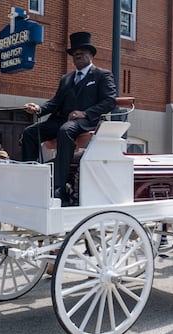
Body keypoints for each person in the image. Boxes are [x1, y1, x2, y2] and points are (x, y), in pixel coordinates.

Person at [21, 31, 117, 205]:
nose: (78, 55)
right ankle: (30, 178)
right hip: (61, 119)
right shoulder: (66, 79)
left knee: (65, 131)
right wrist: (39, 109)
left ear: (90, 54)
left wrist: (86, 113)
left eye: (82, 52)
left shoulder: (102, 75)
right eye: (75, 53)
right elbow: (55, 103)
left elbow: (109, 100)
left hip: (86, 121)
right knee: (29, 132)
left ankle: (59, 187)